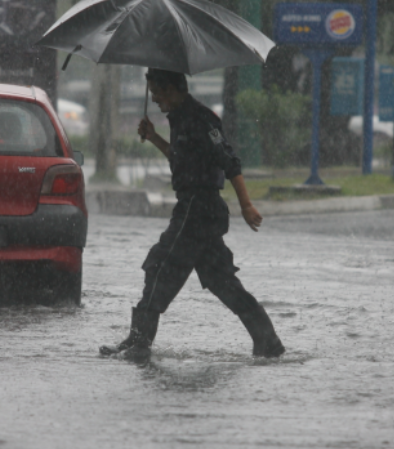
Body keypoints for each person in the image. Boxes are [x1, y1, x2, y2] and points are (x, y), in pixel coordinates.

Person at [99, 68, 285, 360]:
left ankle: (139, 341)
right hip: (195, 209)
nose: (155, 101)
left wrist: (246, 204)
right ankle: (267, 340)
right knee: (221, 280)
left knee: (160, 265)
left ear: (173, 89)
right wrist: (155, 137)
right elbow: (181, 159)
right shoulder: (178, 118)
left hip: (198, 209)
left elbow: (230, 161)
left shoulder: (201, 118)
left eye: (157, 94)